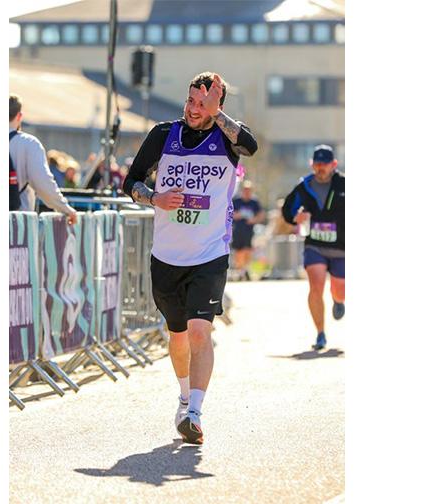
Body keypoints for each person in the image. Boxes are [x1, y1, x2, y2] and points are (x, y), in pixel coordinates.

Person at [123, 72, 257, 444]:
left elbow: (251, 146)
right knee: (178, 336)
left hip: (209, 254)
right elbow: (130, 180)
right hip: (166, 256)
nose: (194, 110)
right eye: (191, 101)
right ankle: (184, 396)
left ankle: (195, 412)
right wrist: (154, 198)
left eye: (204, 104)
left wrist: (219, 117)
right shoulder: (163, 135)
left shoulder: (228, 138)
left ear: (217, 106)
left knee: (201, 330)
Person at [281, 145, 345, 350]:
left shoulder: (344, 184)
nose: (320, 168)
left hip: (342, 248)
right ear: (312, 164)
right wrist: (295, 218)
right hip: (315, 245)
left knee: (340, 289)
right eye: (317, 164)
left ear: (333, 164)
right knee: (315, 286)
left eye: (324, 164)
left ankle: (338, 300)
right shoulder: (305, 185)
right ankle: (320, 334)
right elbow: (287, 209)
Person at [9, 95, 77, 224]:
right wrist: (66, 209)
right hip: (17, 226)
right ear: (19, 116)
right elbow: (43, 184)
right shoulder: (28, 143)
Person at [231, 180, 265, 281]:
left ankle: (244, 270)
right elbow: (230, 213)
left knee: (247, 250)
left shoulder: (254, 202)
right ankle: (240, 270)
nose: (247, 192)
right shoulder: (236, 201)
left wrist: (254, 220)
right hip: (237, 229)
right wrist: (237, 215)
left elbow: (261, 214)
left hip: (249, 230)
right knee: (239, 251)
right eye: (245, 190)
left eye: (249, 190)